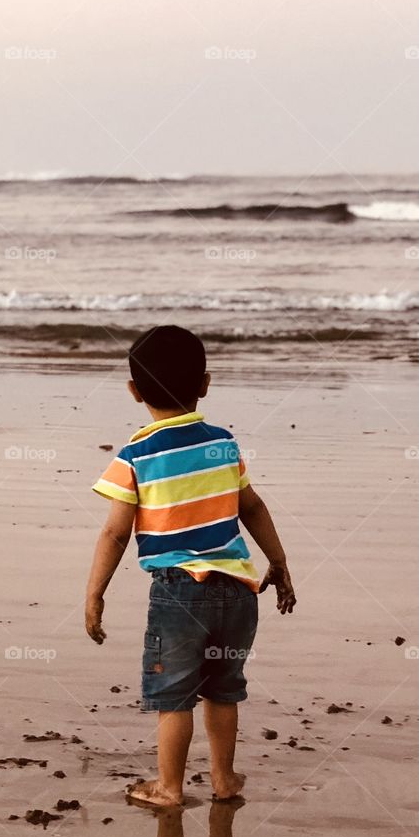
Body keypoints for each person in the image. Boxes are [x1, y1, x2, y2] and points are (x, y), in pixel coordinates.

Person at [84, 325, 296, 806]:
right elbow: (254, 508)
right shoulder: (223, 444)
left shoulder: (136, 454)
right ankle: (223, 780)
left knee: (173, 696)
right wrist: (278, 561)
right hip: (239, 592)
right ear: (205, 383)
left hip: (179, 594)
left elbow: (116, 533)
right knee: (224, 689)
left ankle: (169, 788)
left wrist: (95, 593)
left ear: (134, 392)